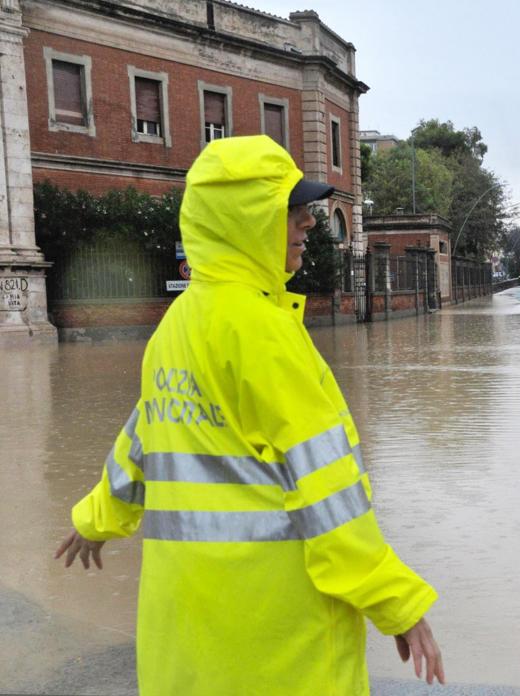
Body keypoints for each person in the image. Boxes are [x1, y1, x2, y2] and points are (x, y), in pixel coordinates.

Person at [54, 135, 444, 695]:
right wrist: (397, 603)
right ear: (245, 222)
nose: (309, 224)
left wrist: (95, 520)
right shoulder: (264, 334)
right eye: (292, 211)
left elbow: (143, 442)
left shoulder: (176, 325)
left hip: (185, 636)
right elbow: (327, 493)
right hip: (275, 641)